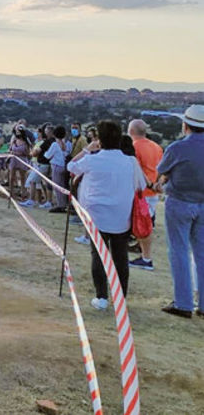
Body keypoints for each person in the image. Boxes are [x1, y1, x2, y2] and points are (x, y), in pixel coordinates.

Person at [68, 120, 144, 311]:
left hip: (97, 215)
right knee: (120, 257)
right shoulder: (130, 162)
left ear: (99, 140)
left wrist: (88, 149)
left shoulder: (93, 159)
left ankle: (101, 296)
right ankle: (121, 298)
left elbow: (71, 166)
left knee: (99, 256)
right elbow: (140, 186)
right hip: (122, 216)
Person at [155, 104, 204, 319]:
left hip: (180, 202)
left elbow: (162, 172)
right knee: (202, 255)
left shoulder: (177, 148)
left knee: (179, 252)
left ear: (186, 126)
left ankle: (183, 303)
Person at [128, 119, 163, 271]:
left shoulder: (134, 147)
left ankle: (146, 258)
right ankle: (143, 254)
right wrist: (157, 185)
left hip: (142, 192)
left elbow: (137, 169)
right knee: (145, 223)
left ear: (131, 132)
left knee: (143, 225)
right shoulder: (156, 147)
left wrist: (149, 184)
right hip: (153, 190)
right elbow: (162, 168)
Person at [45, 125, 71, 213]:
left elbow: (47, 155)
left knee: (57, 187)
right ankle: (63, 204)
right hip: (63, 166)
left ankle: (61, 205)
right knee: (62, 185)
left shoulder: (55, 144)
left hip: (56, 166)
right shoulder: (66, 144)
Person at [8, 123, 32, 199]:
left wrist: (22, 153)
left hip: (22, 160)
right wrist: (11, 152)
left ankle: (23, 193)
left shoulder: (26, 142)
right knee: (11, 177)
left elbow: (28, 153)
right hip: (14, 159)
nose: (17, 132)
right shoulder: (14, 140)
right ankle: (10, 192)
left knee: (22, 178)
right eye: (17, 131)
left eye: (19, 131)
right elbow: (10, 149)